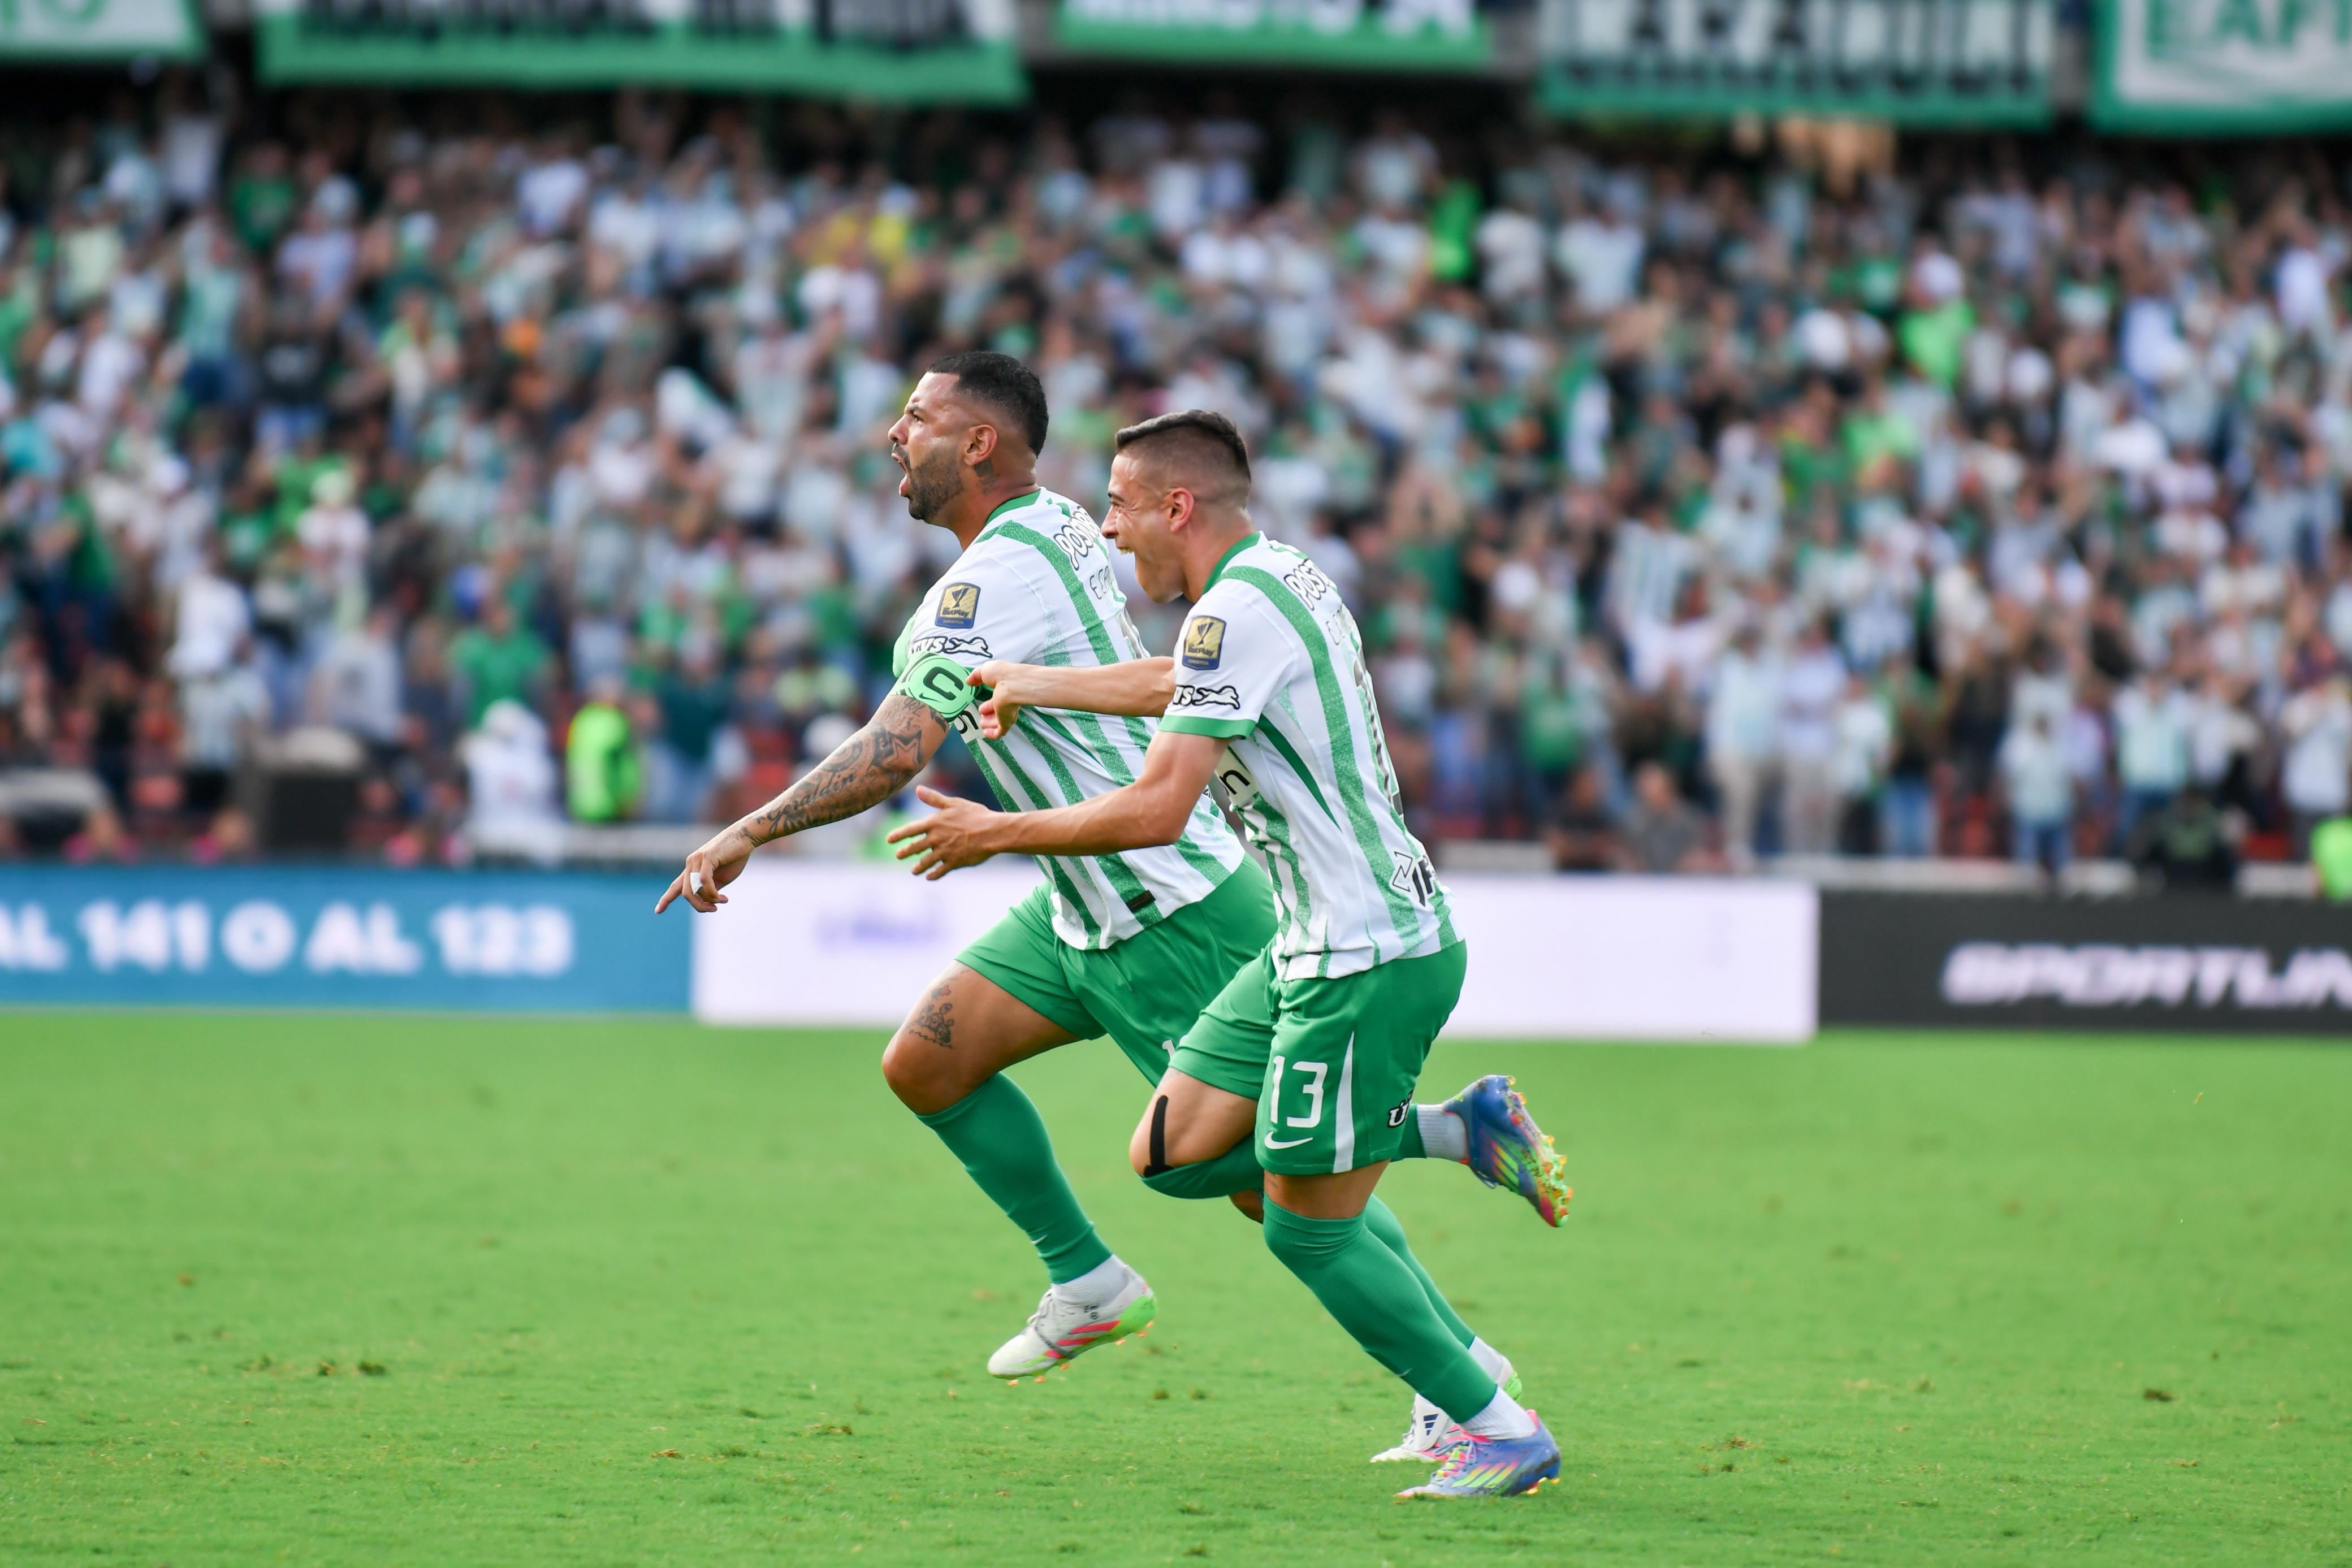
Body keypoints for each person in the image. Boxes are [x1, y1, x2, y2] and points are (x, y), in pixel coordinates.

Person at [656, 365, 1558, 1412]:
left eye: (917, 417)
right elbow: (1173, 671)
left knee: (1275, 1183)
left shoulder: (995, 580)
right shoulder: (1065, 526)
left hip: (1160, 901)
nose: (892, 434)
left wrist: (751, 829)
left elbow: (896, 750)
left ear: (982, 443)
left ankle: (1457, 1364)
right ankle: (1087, 1280)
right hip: (1078, 899)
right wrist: (1034, 692)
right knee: (928, 1063)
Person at [887, 409, 1567, 1499]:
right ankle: (1449, 1127)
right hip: (1308, 942)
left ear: (1177, 506)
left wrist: (991, 831)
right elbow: (1174, 683)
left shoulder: (1227, 616)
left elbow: (1160, 807)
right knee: (1177, 1150)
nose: (1108, 532)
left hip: (1367, 953)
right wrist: (1030, 679)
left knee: (1304, 1227)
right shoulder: (1273, 581)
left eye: (1118, 506)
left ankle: (1495, 1421)